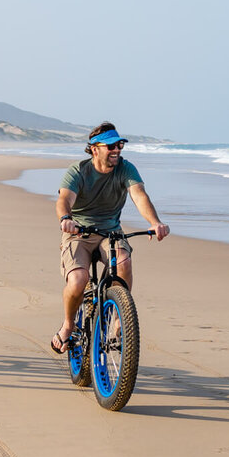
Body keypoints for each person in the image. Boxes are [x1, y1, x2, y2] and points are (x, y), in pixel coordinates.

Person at [52, 122, 169, 354]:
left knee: (123, 262)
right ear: (95, 149)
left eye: (120, 145)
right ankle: (68, 325)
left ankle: (118, 320)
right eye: (111, 146)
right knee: (78, 280)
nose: (117, 150)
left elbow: (139, 196)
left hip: (110, 232)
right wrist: (66, 217)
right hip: (79, 233)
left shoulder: (126, 169)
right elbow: (64, 199)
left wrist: (154, 223)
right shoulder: (78, 171)